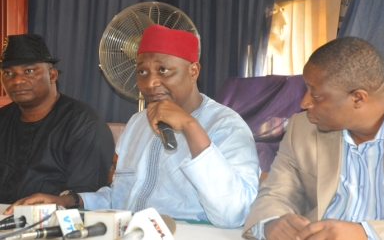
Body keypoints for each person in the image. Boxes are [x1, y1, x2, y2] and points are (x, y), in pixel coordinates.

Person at [4, 24, 260, 228]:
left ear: (193, 71)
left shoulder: (227, 126)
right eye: (142, 72)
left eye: (164, 70)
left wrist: (191, 127)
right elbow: (120, 197)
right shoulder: (139, 123)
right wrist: (64, 201)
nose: (150, 84)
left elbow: (234, 215)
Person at [243, 36, 384, 239]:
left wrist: (365, 233)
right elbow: (276, 193)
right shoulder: (302, 128)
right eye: (307, 89)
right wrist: (270, 223)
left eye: (316, 95)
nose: (304, 103)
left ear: (358, 98)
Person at [0, 34, 114, 204]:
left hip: (55, 224)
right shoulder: (3, 118)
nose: (17, 80)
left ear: (52, 75)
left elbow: (87, 195)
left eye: (28, 71)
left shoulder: (83, 123)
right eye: (8, 73)